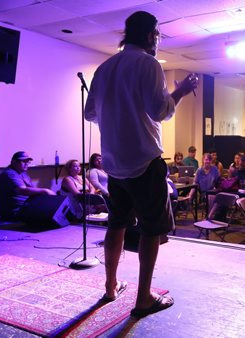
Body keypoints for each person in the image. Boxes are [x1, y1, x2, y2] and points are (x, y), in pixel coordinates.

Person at [85, 11, 198, 317]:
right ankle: (143, 297)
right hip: (145, 163)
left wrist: (117, 112)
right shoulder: (149, 64)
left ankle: (110, 287)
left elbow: (89, 113)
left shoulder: (105, 67)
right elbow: (160, 110)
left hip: (113, 163)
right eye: (157, 36)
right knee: (151, 229)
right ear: (151, 36)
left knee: (116, 223)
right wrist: (183, 90)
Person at [0, 151, 55, 220]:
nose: (26, 164)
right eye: (23, 161)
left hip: (25, 206)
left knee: (49, 206)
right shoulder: (9, 174)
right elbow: (22, 190)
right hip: (14, 211)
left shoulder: (23, 173)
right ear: (13, 162)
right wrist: (45, 191)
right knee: (47, 213)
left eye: (28, 161)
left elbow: (32, 190)